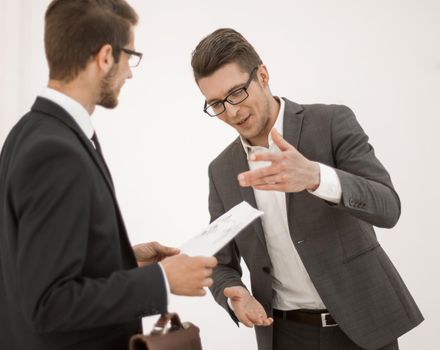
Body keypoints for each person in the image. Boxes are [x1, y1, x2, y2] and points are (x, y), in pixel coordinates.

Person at [0, 1, 217, 349]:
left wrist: (124, 260)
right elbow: (48, 304)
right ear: (104, 57)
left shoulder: (29, 131)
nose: (130, 73)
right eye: (129, 56)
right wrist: (160, 281)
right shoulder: (56, 151)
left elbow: (34, 262)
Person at [190, 28, 423, 350]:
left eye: (237, 93)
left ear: (263, 75)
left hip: (362, 327)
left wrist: (316, 177)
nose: (232, 112)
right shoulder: (221, 170)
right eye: (216, 103)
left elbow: (388, 207)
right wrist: (234, 295)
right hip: (284, 335)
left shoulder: (331, 123)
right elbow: (220, 260)